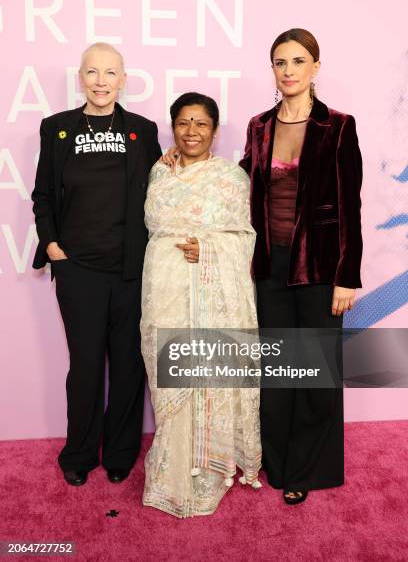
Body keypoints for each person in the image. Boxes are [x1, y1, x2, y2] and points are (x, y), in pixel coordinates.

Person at [240, 28, 363, 504]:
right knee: (277, 370)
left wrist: (346, 276)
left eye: (297, 61)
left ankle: (308, 470)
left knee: (313, 371)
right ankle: (277, 461)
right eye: (279, 62)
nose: (288, 71)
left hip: (319, 266)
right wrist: (187, 165)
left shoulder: (339, 125)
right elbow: (240, 182)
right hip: (269, 264)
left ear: (315, 66)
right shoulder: (259, 125)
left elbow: (350, 205)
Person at [31, 42, 162, 486]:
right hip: (79, 270)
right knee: (85, 365)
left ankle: (121, 452)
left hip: (130, 270)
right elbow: (43, 195)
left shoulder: (143, 131)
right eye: (93, 72)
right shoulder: (57, 129)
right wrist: (52, 247)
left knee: (127, 365)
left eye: (110, 73)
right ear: (80, 78)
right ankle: (80, 452)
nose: (101, 81)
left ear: (123, 79)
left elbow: (158, 198)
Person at [141, 92, 262, 518]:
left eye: (201, 124)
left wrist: (207, 248)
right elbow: (154, 226)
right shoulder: (160, 172)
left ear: (214, 129)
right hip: (165, 285)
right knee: (168, 375)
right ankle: (170, 470)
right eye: (183, 123)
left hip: (209, 295)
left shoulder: (231, 179)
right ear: (172, 128)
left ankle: (207, 470)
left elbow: (245, 238)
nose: (191, 132)